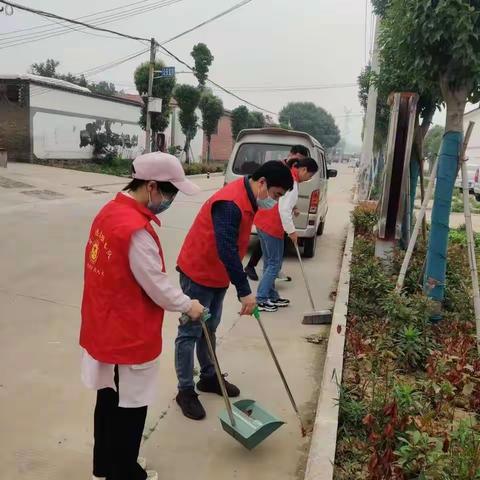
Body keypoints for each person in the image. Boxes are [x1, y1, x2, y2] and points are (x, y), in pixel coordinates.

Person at [80, 152, 205, 480]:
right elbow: (158, 286)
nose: (170, 200)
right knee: (131, 406)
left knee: (107, 397)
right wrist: (188, 304)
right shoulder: (135, 230)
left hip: (102, 322)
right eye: (170, 192)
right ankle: (124, 472)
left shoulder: (109, 211)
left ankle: (103, 466)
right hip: (127, 330)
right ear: (151, 186)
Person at [174, 161, 294, 420]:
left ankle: (208, 377)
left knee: (211, 326)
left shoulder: (249, 197)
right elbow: (226, 248)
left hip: (218, 275)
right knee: (190, 331)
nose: (274, 202)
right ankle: (185, 390)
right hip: (197, 272)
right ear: (262, 183)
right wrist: (244, 290)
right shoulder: (231, 202)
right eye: (275, 195)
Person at [254, 157, 319, 312]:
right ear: (303, 170)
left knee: (269, 262)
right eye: (310, 175)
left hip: (262, 222)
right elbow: (283, 209)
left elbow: (283, 201)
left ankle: (272, 296)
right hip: (272, 225)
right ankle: (262, 299)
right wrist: (292, 232)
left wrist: (294, 207)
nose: (309, 179)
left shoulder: (288, 176)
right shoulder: (292, 183)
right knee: (274, 264)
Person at [244, 144, 309, 282]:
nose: (299, 162)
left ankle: (272, 274)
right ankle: (260, 273)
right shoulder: (277, 167)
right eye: (298, 158)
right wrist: (291, 230)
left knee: (271, 250)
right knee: (269, 248)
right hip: (269, 216)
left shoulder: (293, 172)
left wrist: (294, 207)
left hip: (275, 217)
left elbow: (286, 196)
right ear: (291, 154)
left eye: (302, 160)